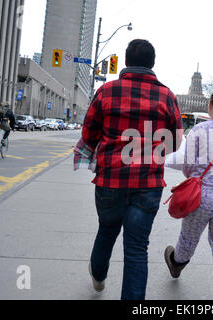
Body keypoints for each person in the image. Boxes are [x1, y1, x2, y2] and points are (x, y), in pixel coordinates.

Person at [77, 39, 182, 300]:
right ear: (152, 63)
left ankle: (99, 277)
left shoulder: (106, 91)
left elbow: (88, 135)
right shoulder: (167, 96)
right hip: (147, 185)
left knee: (107, 230)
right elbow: (176, 141)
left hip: (110, 181)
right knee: (137, 248)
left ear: (125, 62)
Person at [164, 86, 213, 300]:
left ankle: (176, 262)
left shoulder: (199, 131)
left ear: (210, 106)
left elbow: (188, 165)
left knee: (189, 238)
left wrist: (194, 175)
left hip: (204, 196)